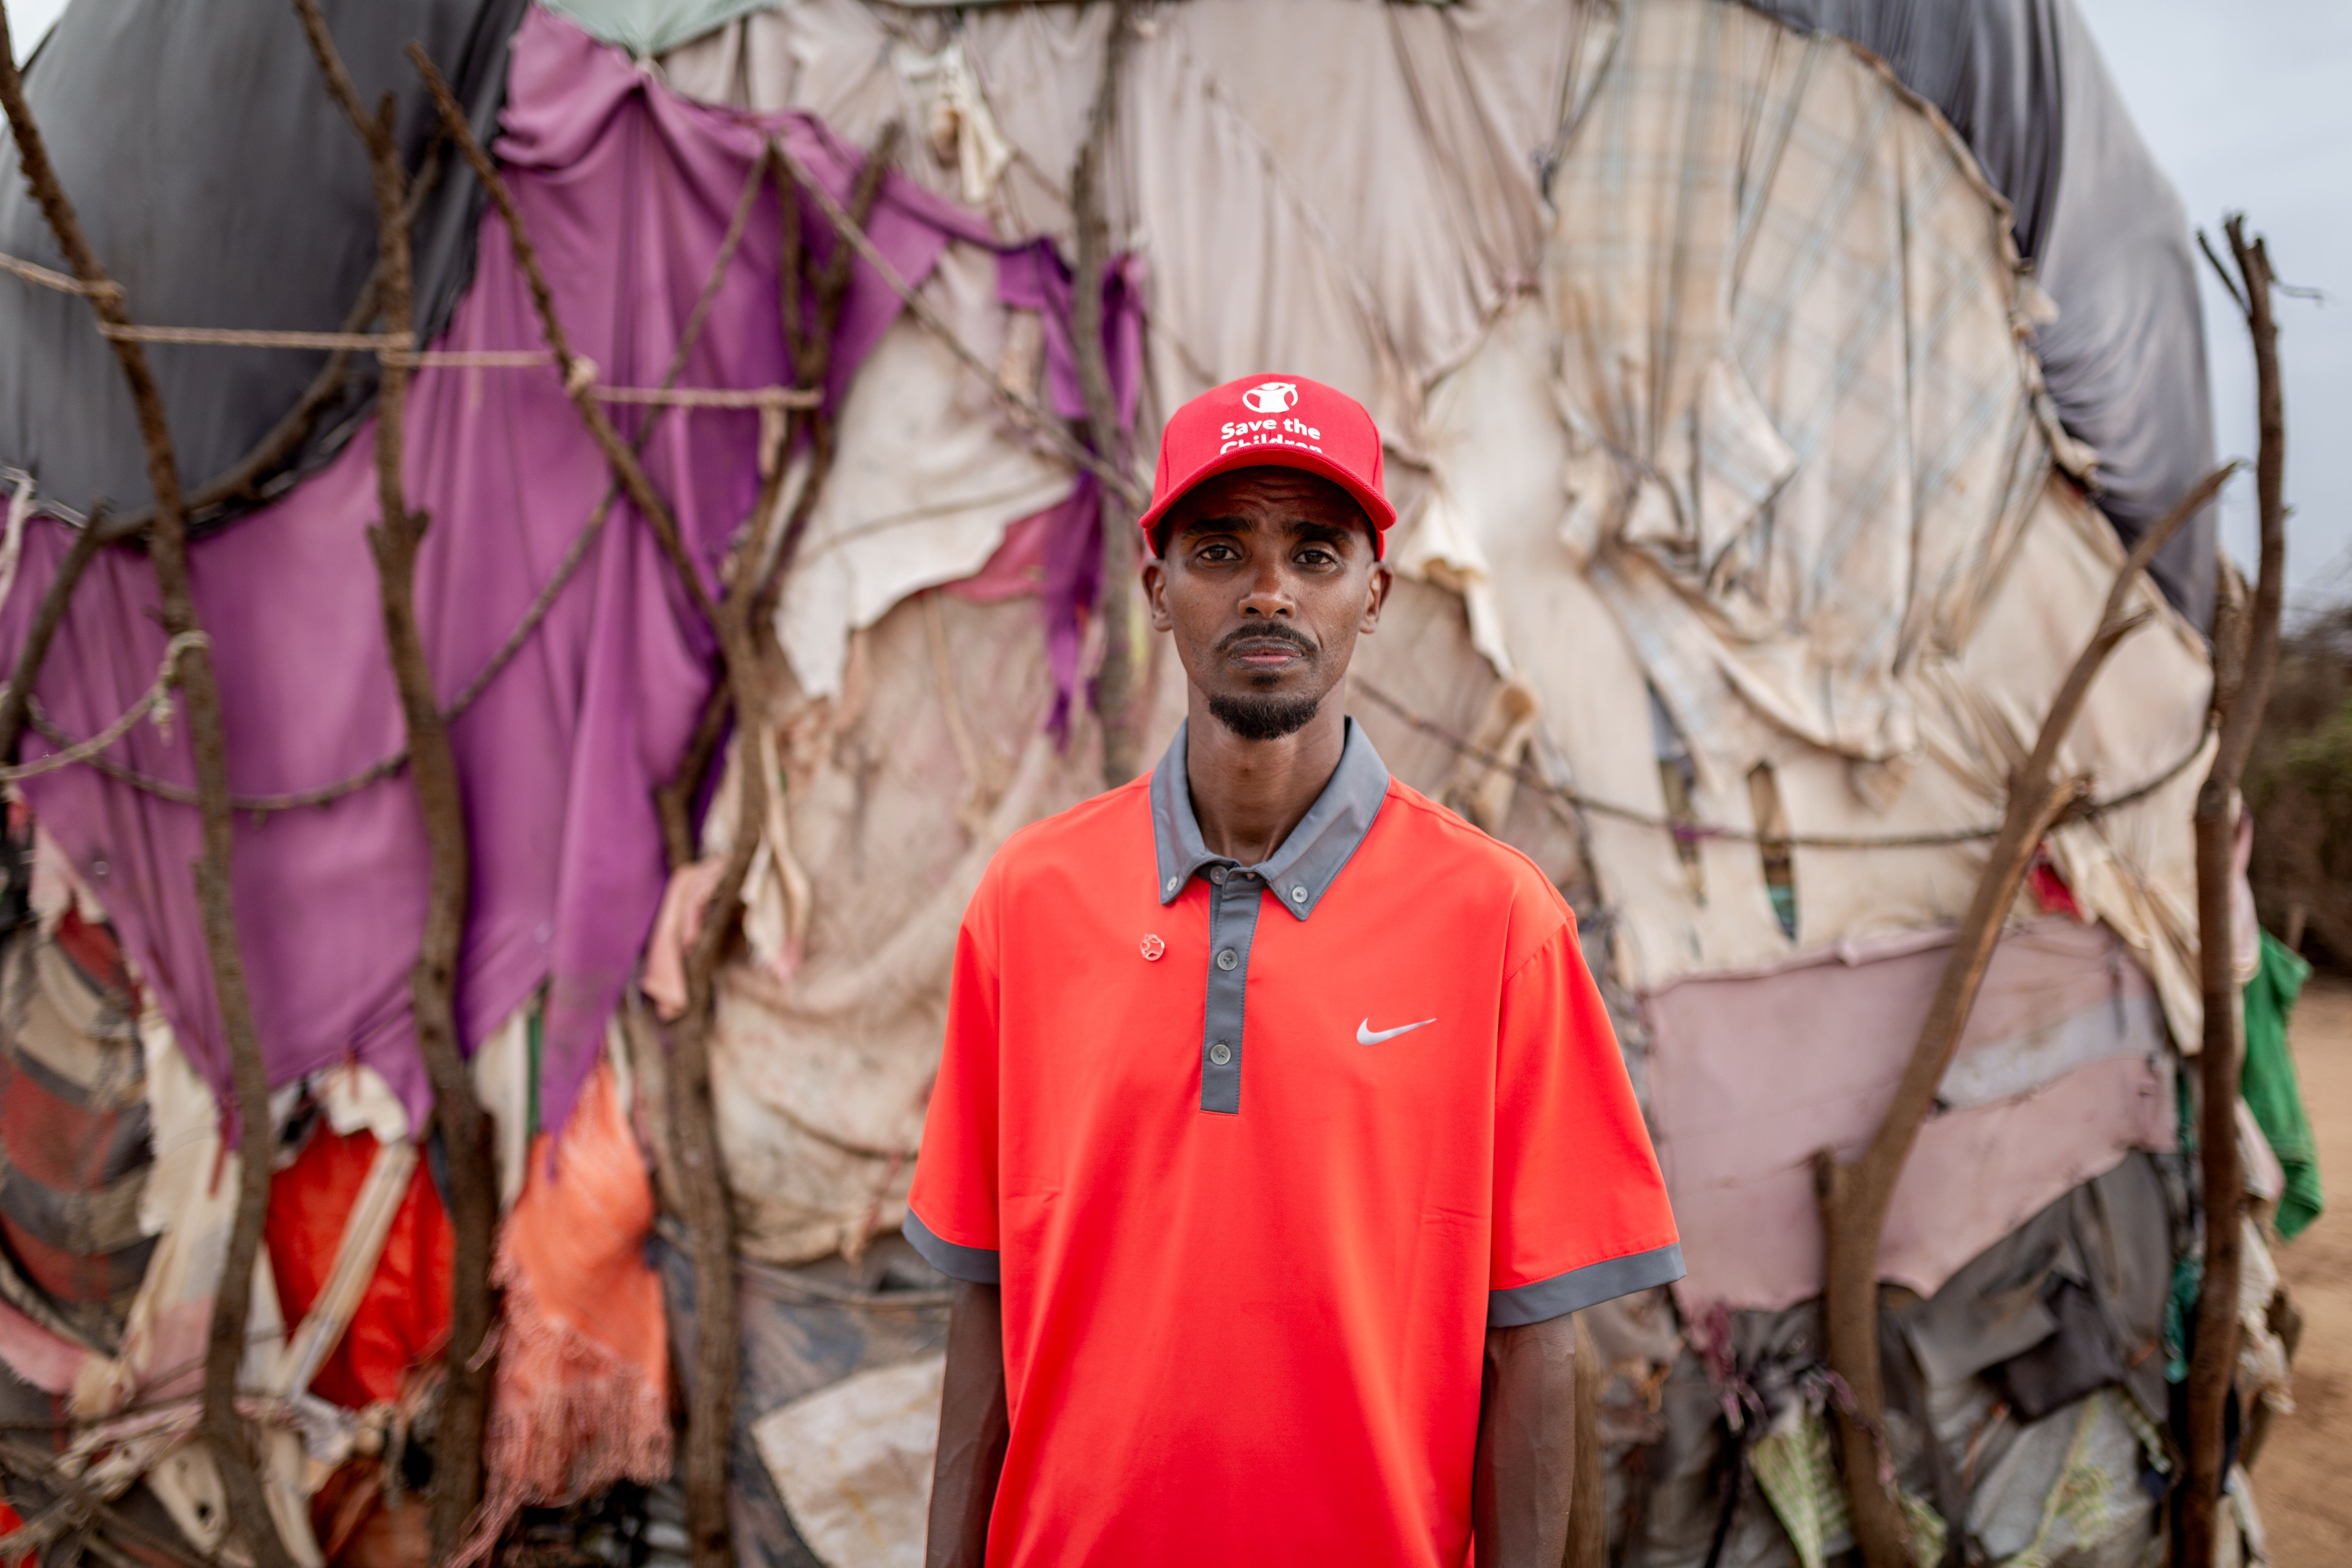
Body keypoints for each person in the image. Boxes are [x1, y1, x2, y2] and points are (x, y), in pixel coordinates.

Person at [904, 374, 1682, 1567]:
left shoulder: (1499, 921)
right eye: (1222, 548)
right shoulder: (1029, 903)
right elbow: (981, 1302)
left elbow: (1533, 1346)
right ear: (1159, 588)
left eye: (1314, 552)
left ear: (1373, 591)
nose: (1270, 590)